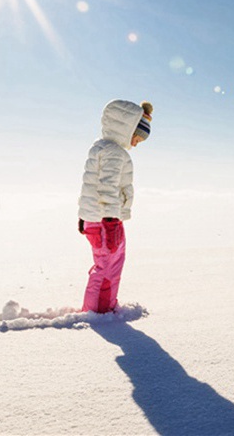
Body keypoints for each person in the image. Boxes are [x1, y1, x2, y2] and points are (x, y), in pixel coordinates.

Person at [77, 99, 153, 313]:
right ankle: (99, 311)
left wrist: (83, 215)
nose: (136, 144)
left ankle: (104, 305)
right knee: (107, 266)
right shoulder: (114, 153)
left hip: (98, 218)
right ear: (126, 129)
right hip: (106, 220)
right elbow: (107, 187)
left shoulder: (100, 148)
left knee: (108, 264)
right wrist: (110, 221)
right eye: (136, 138)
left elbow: (89, 184)